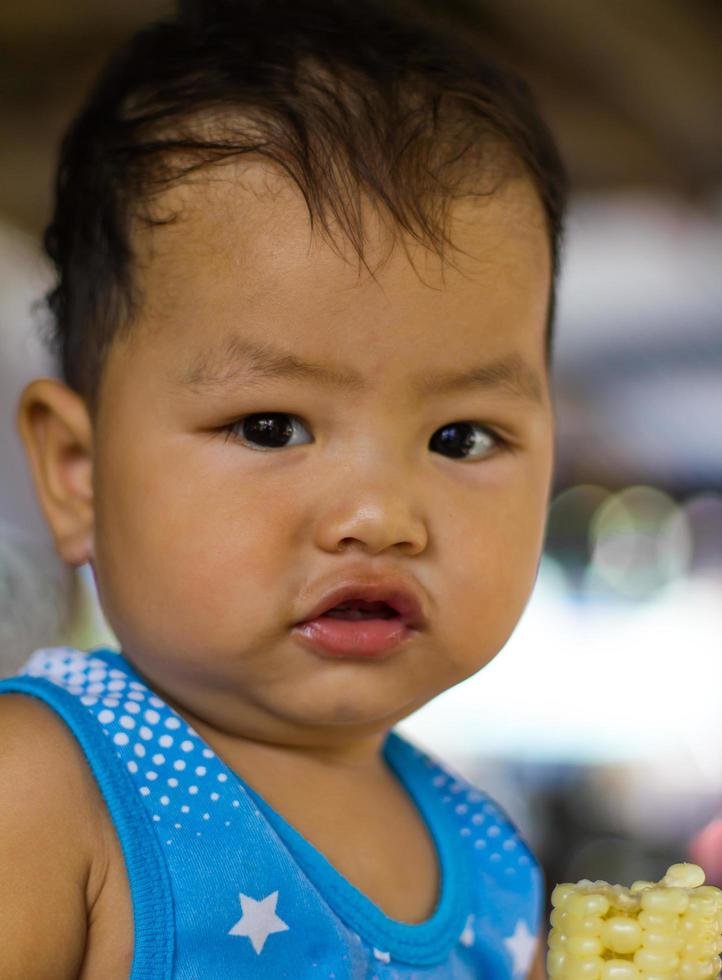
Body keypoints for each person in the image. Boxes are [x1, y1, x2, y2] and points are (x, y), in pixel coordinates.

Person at [0, 0, 566, 975]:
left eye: (459, 436)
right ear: (78, 476)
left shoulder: (493, 864)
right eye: (270, 427)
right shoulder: (48, 789)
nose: (380, 517)